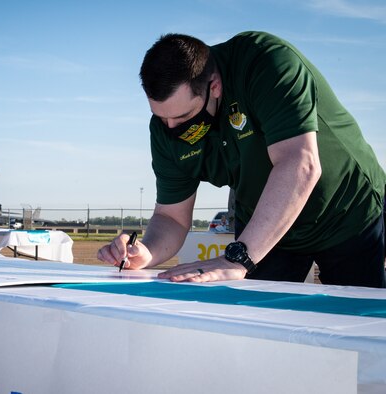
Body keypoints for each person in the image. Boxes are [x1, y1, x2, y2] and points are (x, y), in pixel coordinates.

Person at [98, 31, 386, 288]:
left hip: (345, 209)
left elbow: (299, 164)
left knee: (357, 321)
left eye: (183, 116)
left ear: (214, 86)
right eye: (162, 117)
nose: (172, 128)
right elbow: (171, 216)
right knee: (259, 325)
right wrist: (145, 252)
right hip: (266, 220)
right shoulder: (165, 130)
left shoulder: (265, 62)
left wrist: (239, 258)